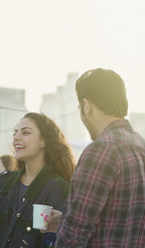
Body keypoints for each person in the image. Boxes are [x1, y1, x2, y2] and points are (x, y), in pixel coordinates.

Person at [45, 68, 145, 247]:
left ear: (87, 106)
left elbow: (73, 235)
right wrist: (63, 220)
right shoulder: (140, 144)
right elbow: (122, 219)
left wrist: (68, 225)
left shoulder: (101, 150)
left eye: (79, 108)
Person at [0, 112, 75, 248]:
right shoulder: (1, 182)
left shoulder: (59, 188)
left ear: (44, 141)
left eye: (25, 133)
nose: (16, 137)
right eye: (15, 133)